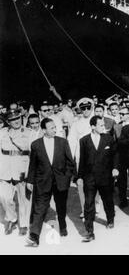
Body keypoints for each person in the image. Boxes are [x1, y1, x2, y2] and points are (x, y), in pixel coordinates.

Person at [26, 118, 76, 247]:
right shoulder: (36, 145)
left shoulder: (62, 142)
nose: (55, 130)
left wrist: (67, 177)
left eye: (55, 127)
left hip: (60, 181)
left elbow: (70, 162)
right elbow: (33, 165)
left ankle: (63, 225)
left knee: (61, 205)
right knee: (40, 207)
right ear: (44, 130)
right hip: (43, 181)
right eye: (51, 128)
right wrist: (30, 181)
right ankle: (34, 235)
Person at [78, 116, 119, 242]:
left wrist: (115, 168)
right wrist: (79, 176)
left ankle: (110, 219)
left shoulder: (108, 139)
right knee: (89, 203)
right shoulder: (84, 140)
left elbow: (115, 155)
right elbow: (82, 160)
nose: (104, 127)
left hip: (105, 176)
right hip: (89, 177)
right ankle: (89, 231)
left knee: (108, 200)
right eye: (100, 125)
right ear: (93, 127)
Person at [0, 110, 32, 236]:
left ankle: (23, 224)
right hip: (5, 169)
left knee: (24, 199)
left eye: (18, 118)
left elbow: (33, 153)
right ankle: (12, 218)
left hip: (22, 168)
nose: (16, 121)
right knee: (4, 197)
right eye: (13, 120)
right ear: (8, 122)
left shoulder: (28, 133)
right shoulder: (2, 133)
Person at [67, 98, 96, 219]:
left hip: (95, 156)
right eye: (83, 108)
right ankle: (85, 208)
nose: (85, 110)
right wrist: (72, 158)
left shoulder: (98, 120)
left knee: (96, 182)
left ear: (92, 107)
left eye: (88, 107)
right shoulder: (76, 124)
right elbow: (71, 141)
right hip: (81, 157)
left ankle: (96, 204)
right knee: (81, 183)